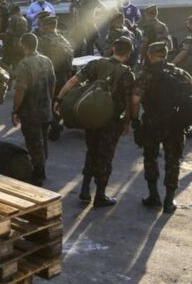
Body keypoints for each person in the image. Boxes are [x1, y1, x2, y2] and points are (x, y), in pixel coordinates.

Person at [55, 37, 136, 207]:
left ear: (113, 49)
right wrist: (128, 122)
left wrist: (59, 99)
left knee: (91, 151)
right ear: (129, 54)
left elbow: (73, 81)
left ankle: (85, 190)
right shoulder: (127, 74)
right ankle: (100, 195)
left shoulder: (96, 64)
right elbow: (129, 102)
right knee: (105, 156)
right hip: (112, 122)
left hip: (92, 116)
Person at [130, 42, 192, 214]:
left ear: (150, 55)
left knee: (150, 158)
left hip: (153, 123)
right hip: (176, 124)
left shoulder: (145, 75)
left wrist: (134, 120)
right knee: (173, 161)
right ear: (165, 55)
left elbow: (135, 100)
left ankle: (153, 196)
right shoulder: (179, 72)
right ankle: (169, 201)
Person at [11, 33, 56, 186]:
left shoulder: (24, 65)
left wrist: (15, 110)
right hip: (45, 110)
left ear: (23, 45)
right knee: (43, 140)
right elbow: (53, 84)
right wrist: (50, 101)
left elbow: (20, 91)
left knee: (33, 142)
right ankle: (41, 168)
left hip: (30, 112)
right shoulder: (46, 60)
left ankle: (38, 175)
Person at [35, 15, 73, 140]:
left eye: (43, 25)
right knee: (58, 102)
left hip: (49, 77)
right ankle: (57, 123)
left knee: (45, 102)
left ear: (46, 26)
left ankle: (53, 125)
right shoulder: (63, 40)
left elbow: (39, 60)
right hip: (63, 77)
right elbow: (70, 58)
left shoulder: (43, 41)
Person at [2, 5, 29, 70]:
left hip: (13, 44)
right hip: (22, 44)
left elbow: (9, 33)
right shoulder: (24, 19)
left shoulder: (13, 18)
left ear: (13, 10)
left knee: (7, 63)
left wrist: (4, 44)